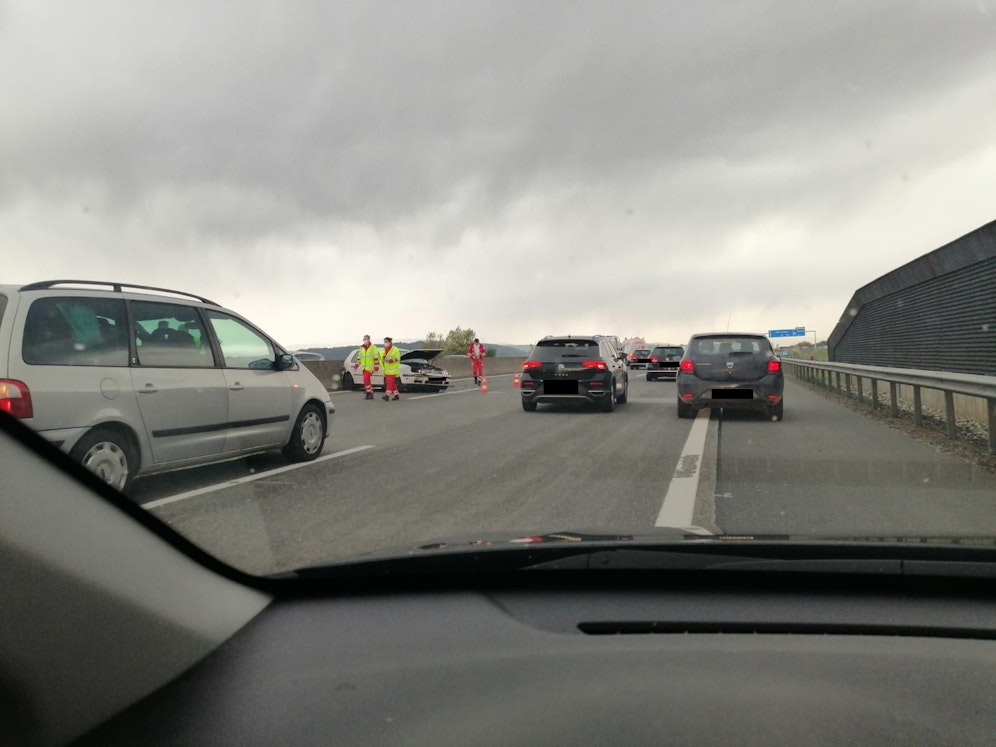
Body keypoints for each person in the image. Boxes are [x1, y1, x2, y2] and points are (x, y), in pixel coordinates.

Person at [354, 334, 382, 400]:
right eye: (364, 339)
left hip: (370, 367)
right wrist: (356, 365)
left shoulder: (373, 347)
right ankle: (370, 393)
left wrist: (376, 366)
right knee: (367, 380)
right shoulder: (362, 348)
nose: (365, 340)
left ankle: (369, 393)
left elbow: (376, 357)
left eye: (366, 339)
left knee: (365, 379)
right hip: (364, 367)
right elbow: (359, 357)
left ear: (369, 339)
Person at [381, 337, 401, 401]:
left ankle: (387, 395)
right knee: (392, 383)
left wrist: (391, 360)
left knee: (389, 383)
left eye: (386, 341)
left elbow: (398, 358)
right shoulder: (383, 350)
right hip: (387, 370)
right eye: (384, 342)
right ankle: (396, 395)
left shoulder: (395, 349)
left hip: (393, 370)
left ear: (390, 342)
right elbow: (381, 358)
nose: (385, 343)